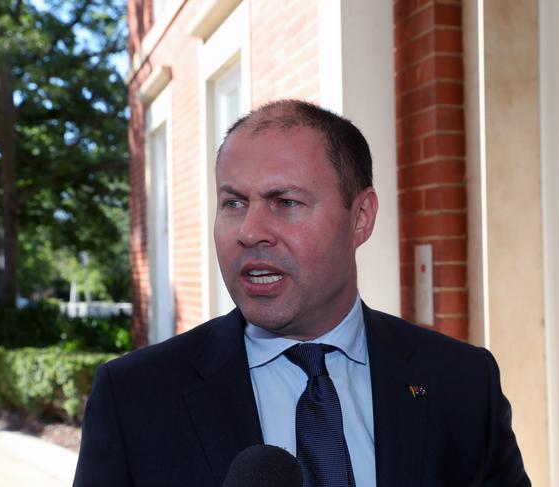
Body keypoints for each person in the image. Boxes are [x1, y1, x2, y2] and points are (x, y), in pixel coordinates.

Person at [73, 100, 530, 486]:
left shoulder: (464, 383)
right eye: (233, 203)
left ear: (361, 217)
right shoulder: (133, 398)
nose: (250, 232)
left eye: (284, 202)